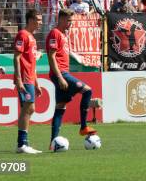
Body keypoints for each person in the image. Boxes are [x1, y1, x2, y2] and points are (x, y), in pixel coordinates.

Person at [47, 9, 98, 146]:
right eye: (69, 21)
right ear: (62, 19)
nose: (70, 23)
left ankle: (53, 142)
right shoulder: (55, 33)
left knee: (60, 106)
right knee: (87, 90)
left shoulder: (63, 35)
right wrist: (60, 77)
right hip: (61, 74)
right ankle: (83, 126)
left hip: (63, 73)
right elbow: (51, 57)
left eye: (72, 21)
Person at [13, 9, 43, 154]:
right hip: (24, 78)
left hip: (30, 78)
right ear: (30, 20)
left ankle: (23, 143)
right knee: (28, 108)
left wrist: (36, 83)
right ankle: (22, 144)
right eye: (38, 19)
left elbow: (32, 62)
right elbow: (17, 58)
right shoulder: (22, 35)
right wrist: (18, 79)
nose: (40, 22)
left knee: (29, 109)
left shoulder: (32, 37)